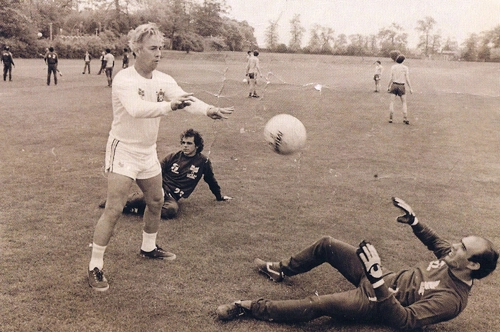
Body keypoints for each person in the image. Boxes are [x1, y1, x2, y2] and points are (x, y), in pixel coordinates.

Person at [87, 23, 234, 292]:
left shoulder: (163, 79)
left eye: (161, 48)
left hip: (146, 151)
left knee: (156, 200)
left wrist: (208, 109)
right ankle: (95, 266)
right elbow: (136, 109)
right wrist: (169, 106)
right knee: (115, 208)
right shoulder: (124, 79)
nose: (159, 54)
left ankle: (148, 247)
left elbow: (184, 99)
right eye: (153, 48)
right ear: (136, 50)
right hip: (124, 150)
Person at [216, 197, 498, 330]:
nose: (453, 246)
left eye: (462, 247)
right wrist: (415, 221)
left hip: (375, 302)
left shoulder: (452, 300)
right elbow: (437, 243)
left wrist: (375, 280)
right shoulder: (452, 260)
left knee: (318, 304)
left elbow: (405, 321)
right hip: (381, 277)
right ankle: (280, 269)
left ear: (472, 265)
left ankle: (248, 308)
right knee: (327, 243)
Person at [99, 128, 232, 218]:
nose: (185, 146)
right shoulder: (173, 156)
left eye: (189, 143)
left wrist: (219, 196)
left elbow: (211, 180)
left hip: (173, 197)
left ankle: (138, 210)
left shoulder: (203, 162)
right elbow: (155, 173)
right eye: (183, 143)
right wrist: (156, 189)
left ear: (197, 146)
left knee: (171, 211)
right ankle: (120, 203)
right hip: (159, 189)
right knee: (133, 200)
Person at [388, 54, 413, 124]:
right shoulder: (405, 68)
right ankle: (405, 118)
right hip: (401, 85)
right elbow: (407, 78)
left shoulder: (393, 67)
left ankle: (391, 118)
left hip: (394, 85)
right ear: (403, 60)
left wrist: (388, 86)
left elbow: (391, 78)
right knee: (404, 102)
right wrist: (410, 88)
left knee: (392, 102)